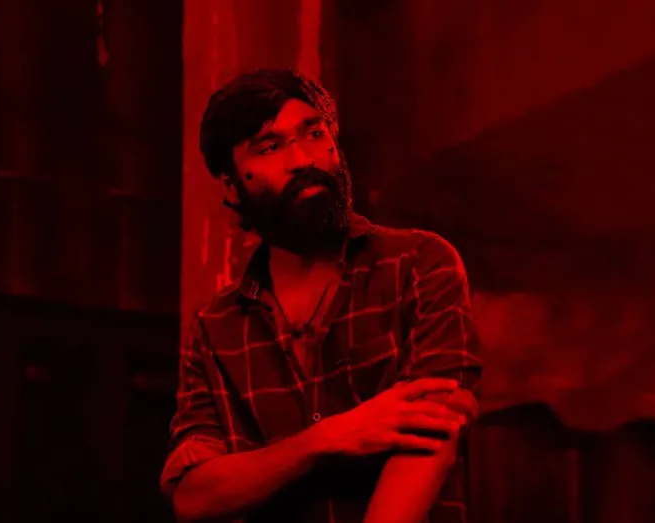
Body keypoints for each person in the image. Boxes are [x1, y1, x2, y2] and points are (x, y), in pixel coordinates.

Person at [160, 68, 482, 523]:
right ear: (232, 186)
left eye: (314, 133)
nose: (302, 159)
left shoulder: (418, 264)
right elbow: (194, 497)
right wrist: (325, 439)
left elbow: (432, 437)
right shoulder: (216, 328)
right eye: (270, 147)